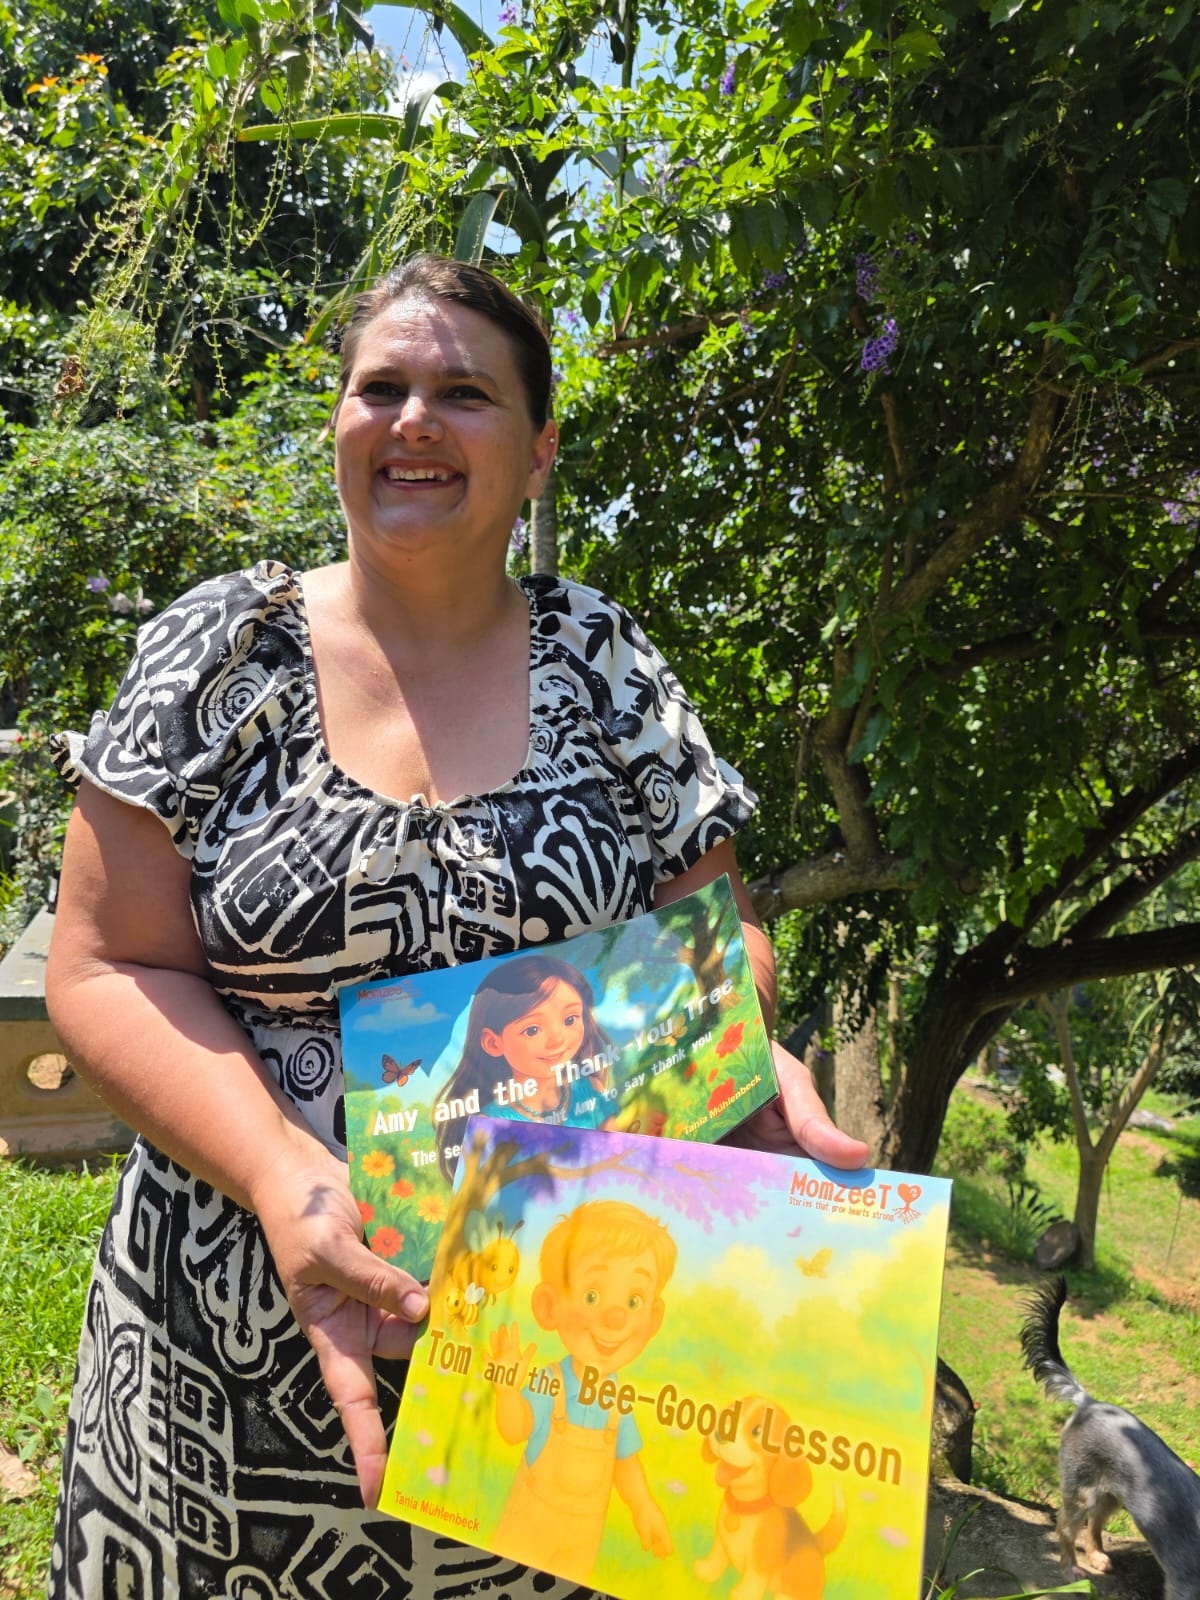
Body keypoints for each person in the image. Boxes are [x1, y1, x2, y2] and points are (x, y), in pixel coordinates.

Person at [44, 251, 869, 1599]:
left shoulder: (608, 662)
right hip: (221, 1397)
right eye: (384, 387)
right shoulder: (217, 655)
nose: (415, 418)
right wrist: (278, 1171)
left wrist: (729, 1053)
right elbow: (104, 963)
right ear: (340, 427)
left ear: (538, 454)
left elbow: (713, 930)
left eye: (464, 394)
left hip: (562, 1385)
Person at [487, 1200, 677, 1581]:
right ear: (548, 1306)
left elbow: (625, 1461)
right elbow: (513, 1431)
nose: (616, 1318)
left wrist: (642, 1506)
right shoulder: (551, 1382)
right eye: (592, 1295)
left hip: (581, 1547)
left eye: (633, 1301)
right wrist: (507, 1391)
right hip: (524, 1537)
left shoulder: (617, 1398)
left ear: (653, 1319)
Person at [435, 954, 617, 1176]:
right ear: (493, 1042)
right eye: (532, 1030)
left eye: (570, 1019)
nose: (557, 1040)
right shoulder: (490, 1125)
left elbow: (618, 1158)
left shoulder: (590, 1089)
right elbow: (485, 1200)